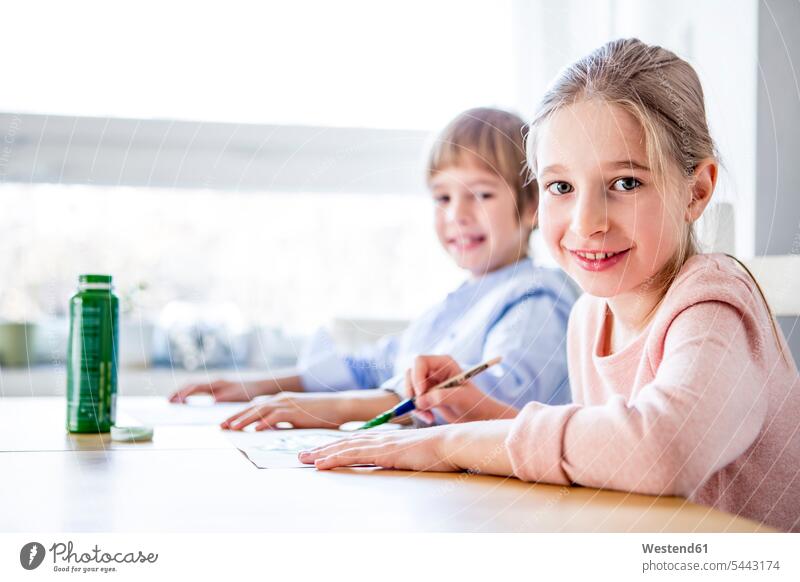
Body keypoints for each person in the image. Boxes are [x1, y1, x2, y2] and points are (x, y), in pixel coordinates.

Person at [299, 39, 800, 532]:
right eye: (561, 187)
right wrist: (479, 411)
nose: (586, 223)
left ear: (696, 191)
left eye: (625, 182)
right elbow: (601, 453)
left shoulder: (712, 302)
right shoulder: (590, 315)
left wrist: (447, 446)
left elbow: (660, 450)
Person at [169, 107, 577, 430]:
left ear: (530, 207)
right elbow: (374, 365)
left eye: (482, 194)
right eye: (443, 198)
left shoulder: (538, 298)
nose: (458, 214)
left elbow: (487, 401)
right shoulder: (458, 304)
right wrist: (259, 386)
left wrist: (333, 407)